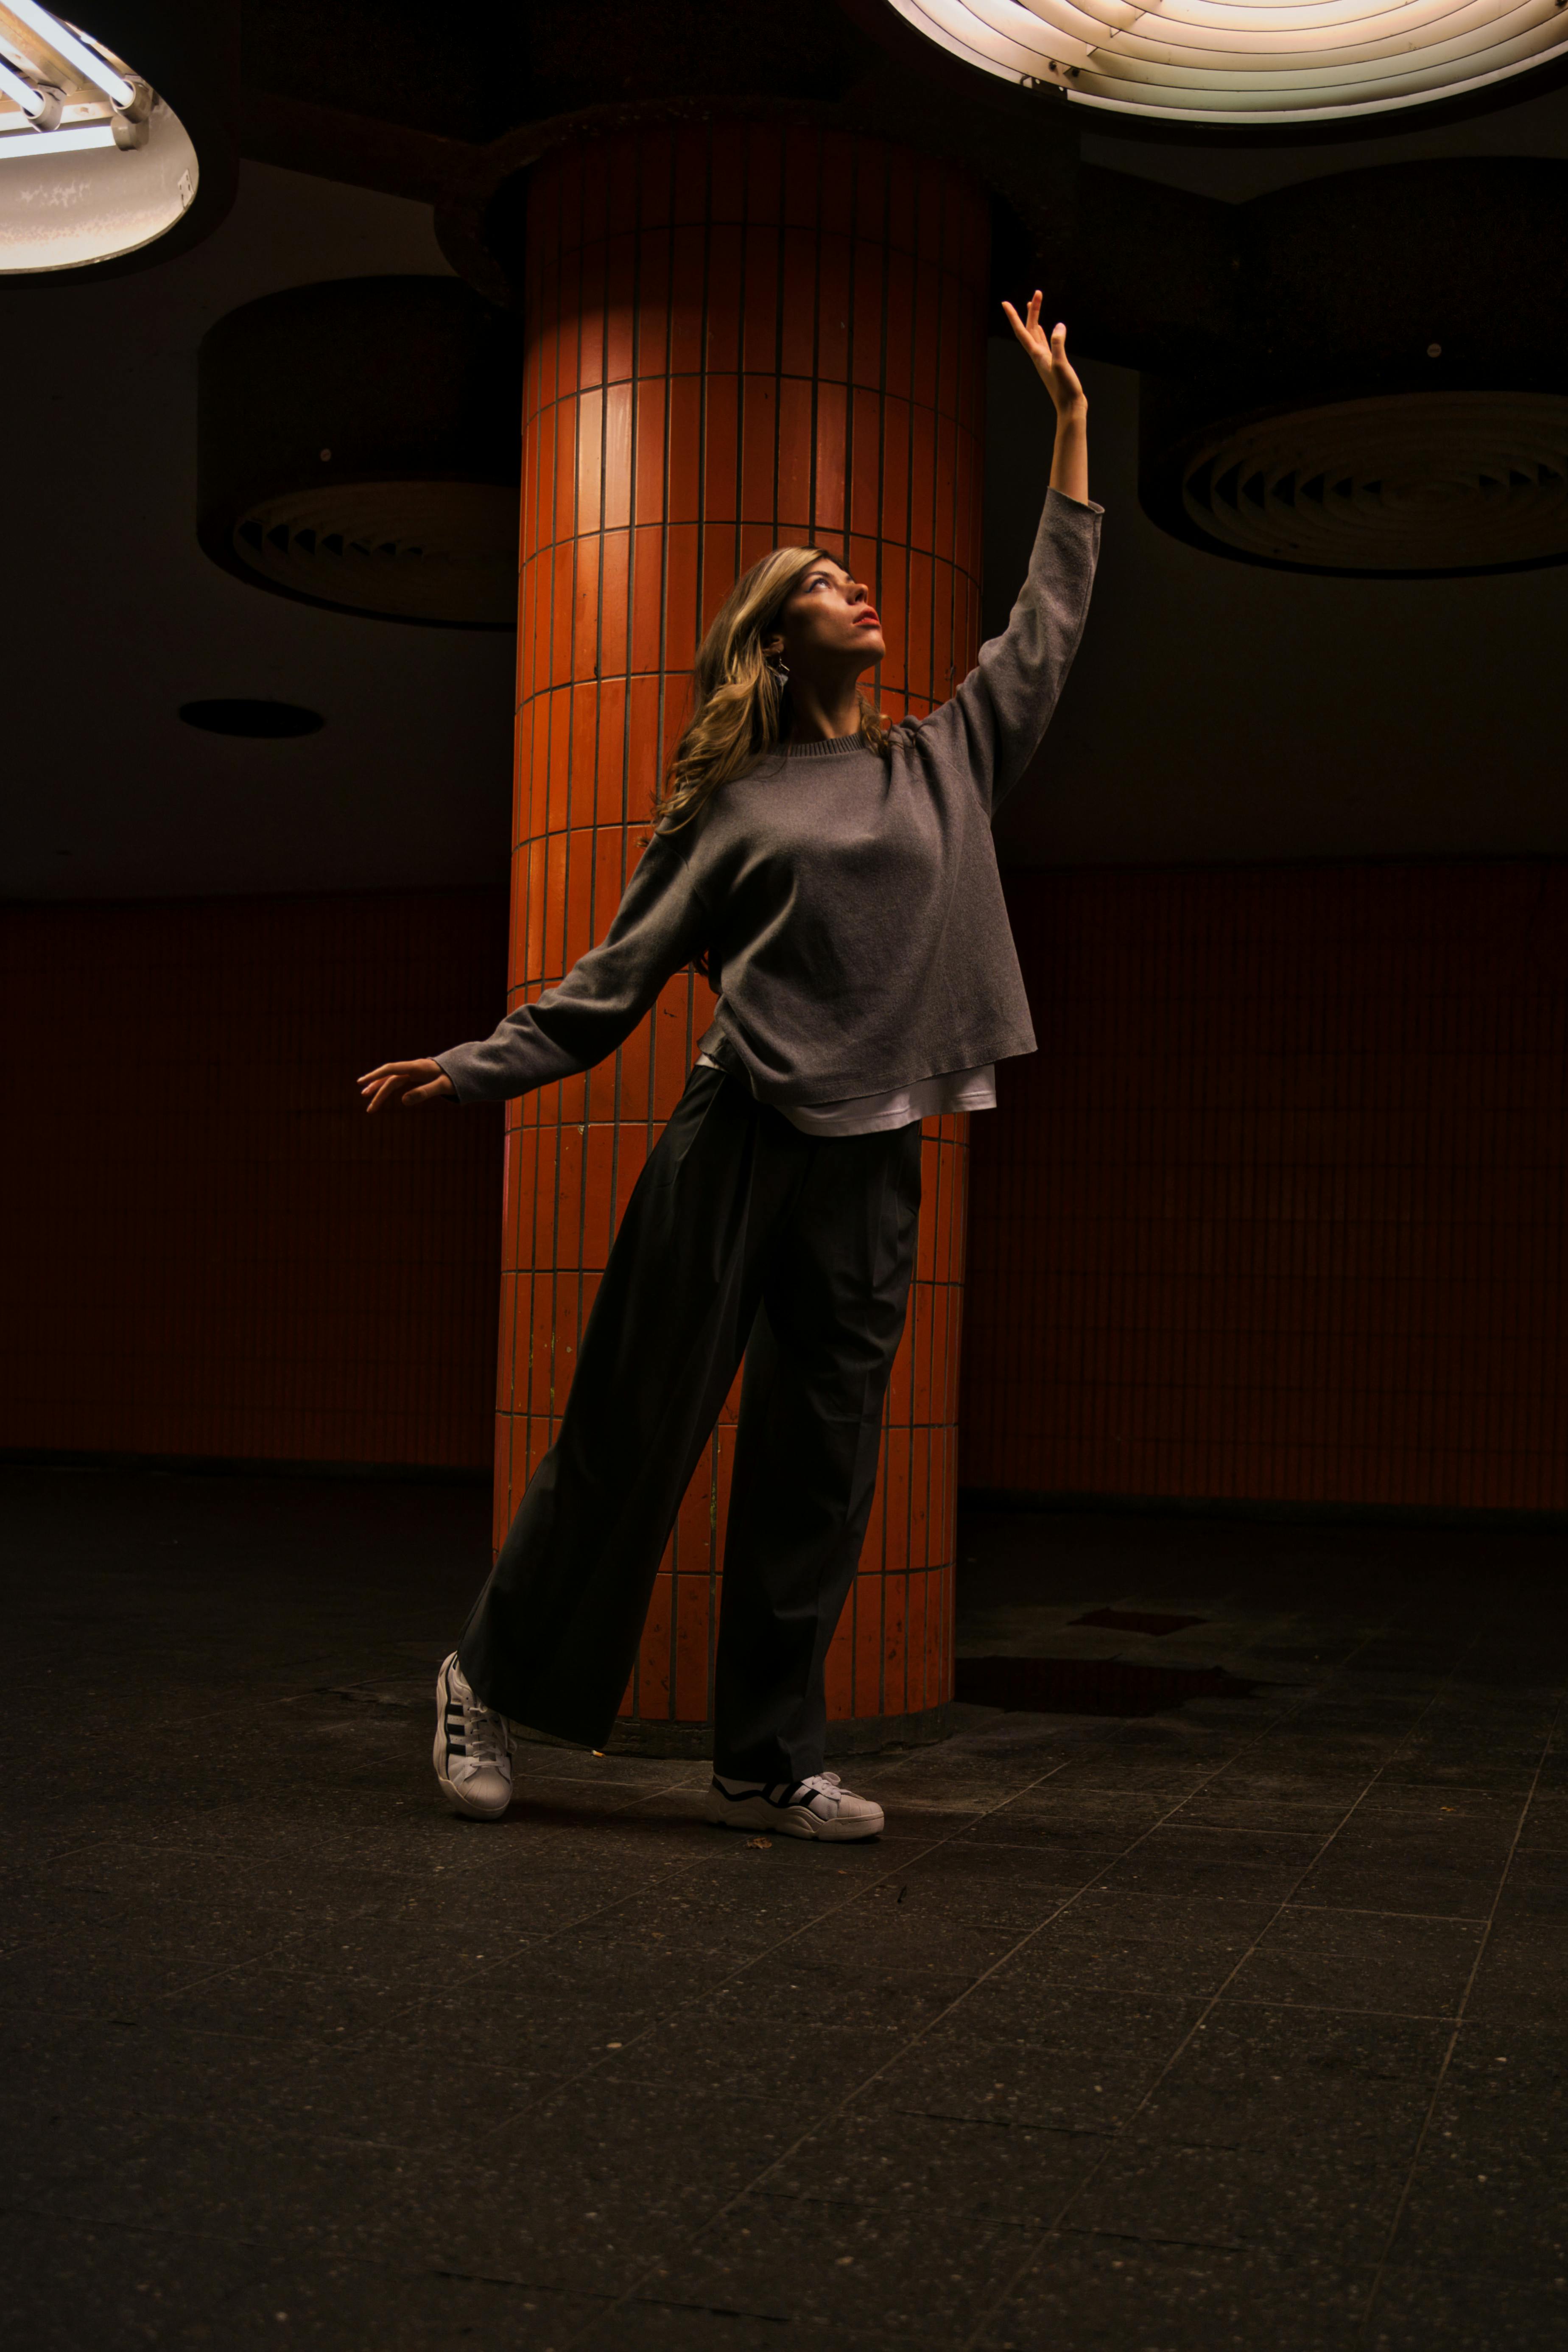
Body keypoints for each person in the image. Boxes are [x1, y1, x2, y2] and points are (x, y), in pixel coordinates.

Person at [360, 293, 1098, 1843]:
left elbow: (1041, 631)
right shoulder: (738, 807)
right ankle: (482, 1682)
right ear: (776, 638)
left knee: (818, 1474)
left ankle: (769, 1756)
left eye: (853, 574)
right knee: (635, 1430)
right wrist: (475, 1065)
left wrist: (1071, 432)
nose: (859, 588)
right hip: (739, 1132)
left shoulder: (942, 755)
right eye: (826, 584)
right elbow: (615, 979)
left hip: (874, 1155)